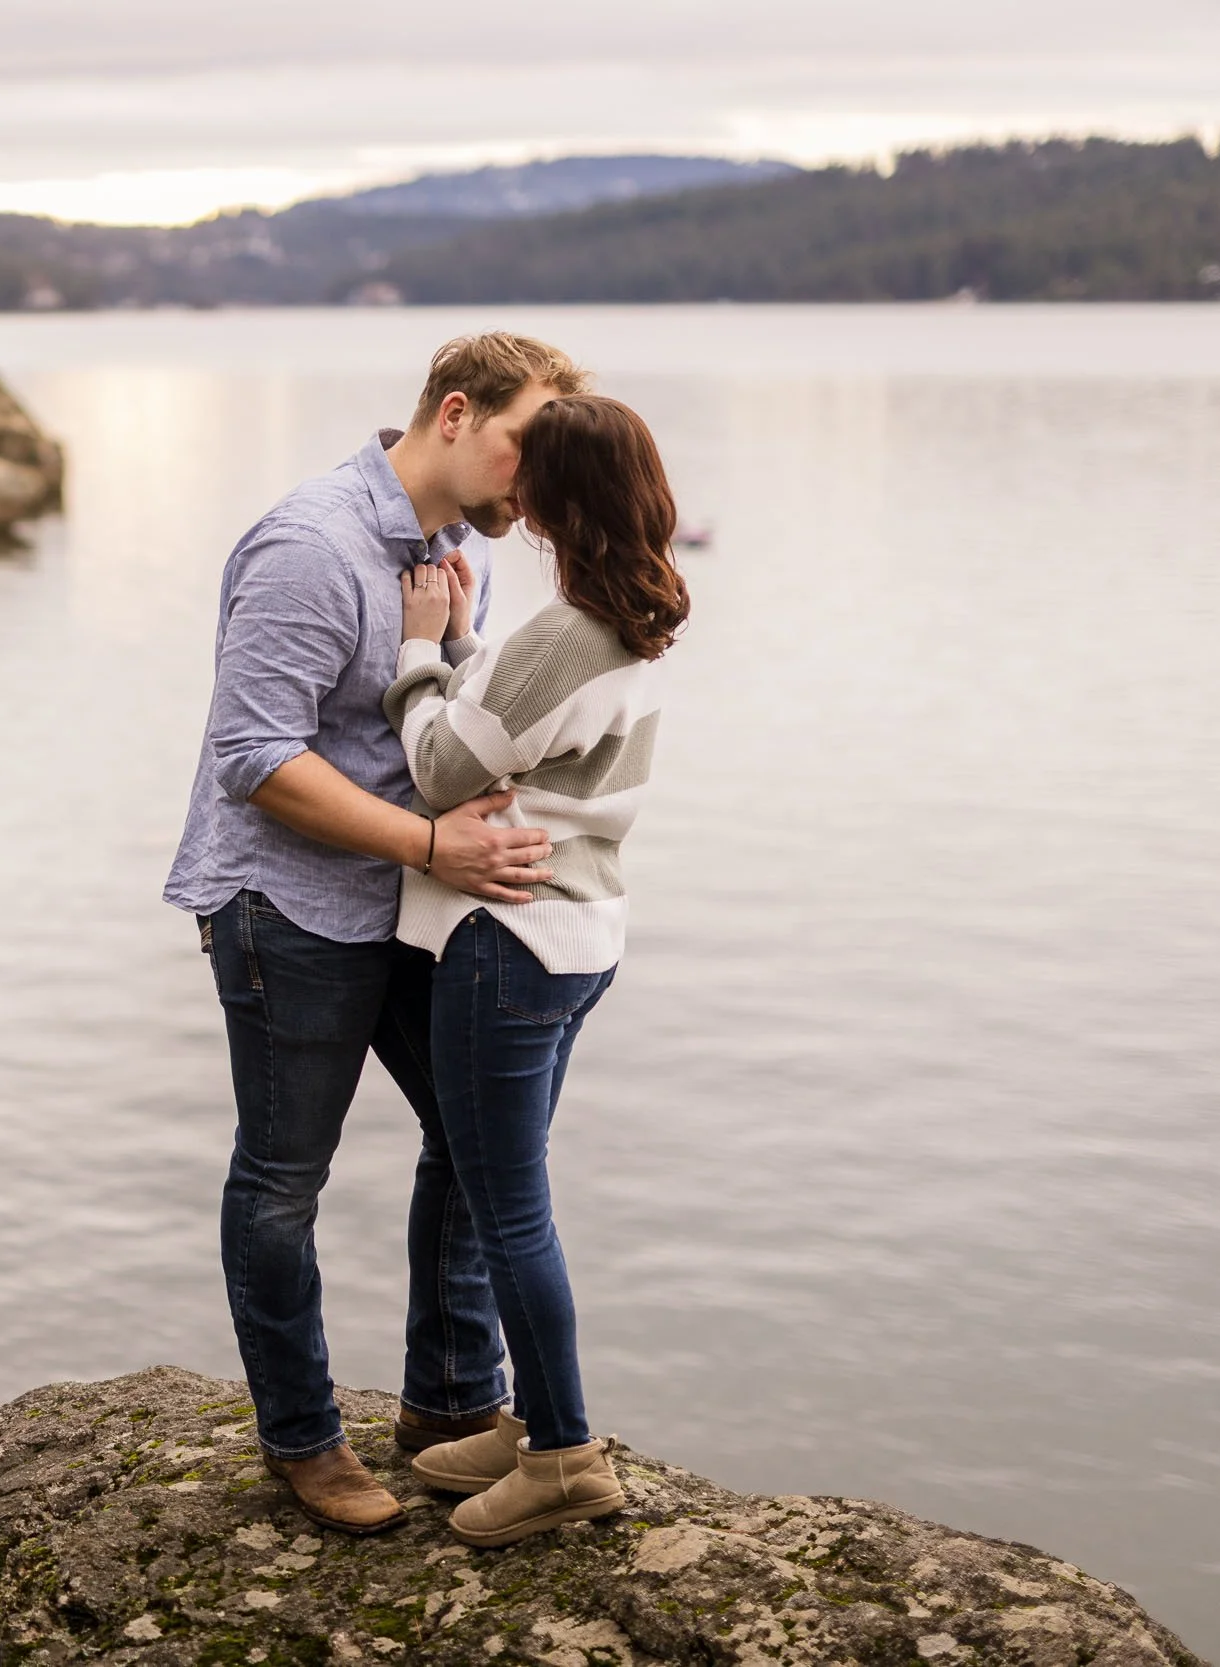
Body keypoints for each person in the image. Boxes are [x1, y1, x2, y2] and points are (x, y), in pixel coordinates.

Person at [164, 333, 590, 1535]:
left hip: (407, 898)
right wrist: (433, 846)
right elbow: (255, 760)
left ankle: (446, 1405)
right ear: (454, 414)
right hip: (286, 907)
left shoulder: (455, 550)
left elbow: (436, 730)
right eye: (525, 445)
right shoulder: (310, 546)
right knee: (284, 1180)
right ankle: (302, 1440)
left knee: (473, 1142)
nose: (537, 482)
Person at [386, 393, 690, 1547]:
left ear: (559, 498)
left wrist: (421, 647)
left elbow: (436, 769)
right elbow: (518, 729)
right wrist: (469, 652)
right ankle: (527, 1427)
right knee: (493, 1188)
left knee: (507, 1209)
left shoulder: (565, 631)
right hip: (579, 935)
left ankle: (564, 1452)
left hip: (507, 944)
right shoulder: (632, 616)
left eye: (528, 474)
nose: (510, 491)